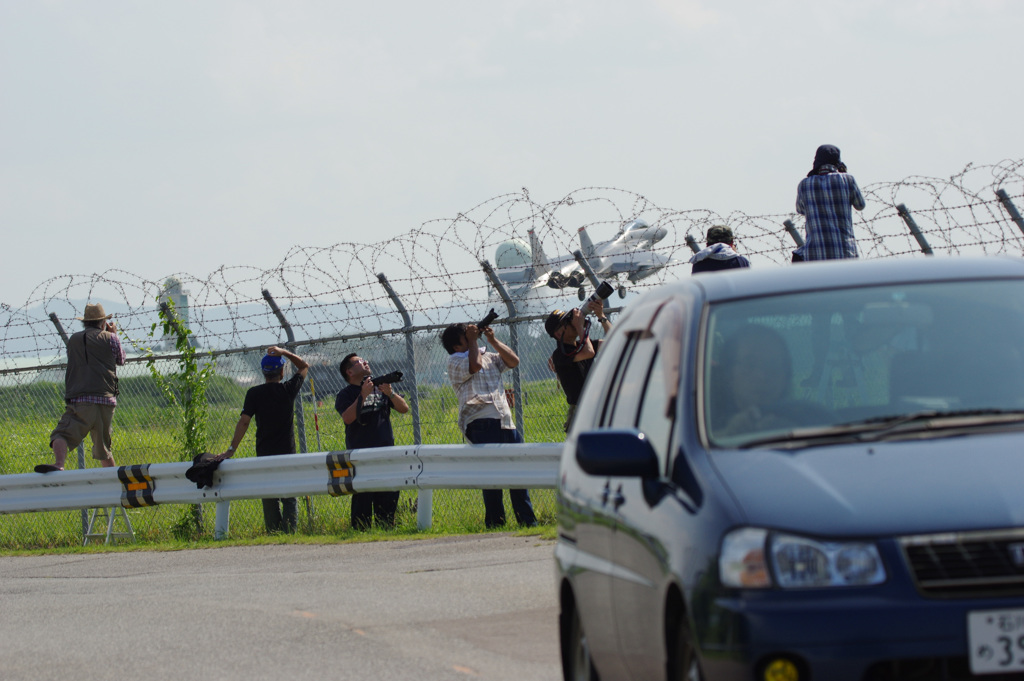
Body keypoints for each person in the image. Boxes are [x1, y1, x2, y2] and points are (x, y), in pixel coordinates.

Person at [440, 321, 537, 529]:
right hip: (480, 422)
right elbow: (473, 366)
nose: (472, 336)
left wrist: (492, 340)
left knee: (518, 475)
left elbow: (513, 361)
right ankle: (495, 524)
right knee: (492, 478)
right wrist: (474, 341)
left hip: (505, 421)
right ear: (457, 346)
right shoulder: (455, 360)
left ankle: (527, 522)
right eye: (466, 336)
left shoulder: (486, 356)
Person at [218, 346, 308, 534]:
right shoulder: (288, 389)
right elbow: (303, 367)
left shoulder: (254, 393)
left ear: (263, 372)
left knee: (268, 494)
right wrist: (284, 352)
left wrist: (231, 449)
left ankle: (273, 532)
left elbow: (244, 422)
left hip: (264, 453)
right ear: (282, 371)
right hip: (287, 453)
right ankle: (290, 532)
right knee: (289, 496)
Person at [36, 303, 126, 473]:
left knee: (61, 434)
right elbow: (120, 359)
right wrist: (113, 334)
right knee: (104, 449)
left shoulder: (74, 341)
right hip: (106, 400)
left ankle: (59, 463)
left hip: (80, 401)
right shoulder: (110, 338)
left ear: (85, 322)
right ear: (102, 322)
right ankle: (114, 483)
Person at [335, 352, 410, 530]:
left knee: (388, 492)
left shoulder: (379, 388)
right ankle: (361, 531)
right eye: (360, 362)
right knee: (363, 496)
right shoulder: (345, 394)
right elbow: (347, 418)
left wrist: (391, 394)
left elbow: (404, 408)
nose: (366, 362)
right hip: (360, 454)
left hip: (386, 450)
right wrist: (362, 395)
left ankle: (387, 527)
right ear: (349, 372)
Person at [545, 300, 612, 432]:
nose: (572, 323)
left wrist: (601, 316)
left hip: (599, 406)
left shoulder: (582, 344)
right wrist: (580, 327)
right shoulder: (559, 355)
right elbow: (588, 352)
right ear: (558, 334)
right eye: (567, 323)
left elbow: (616, 341)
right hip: (581, 412)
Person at [792, 144, 866, 261]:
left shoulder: (804, 184)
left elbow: (800, 209)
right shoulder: (848, 179)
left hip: (815, 254)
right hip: (845, 252)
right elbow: (860, 205)